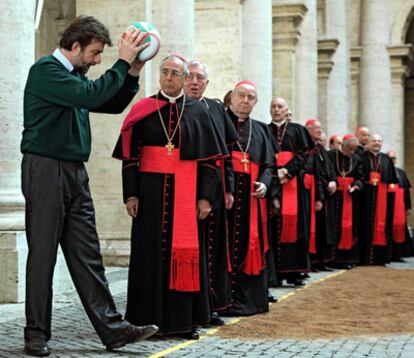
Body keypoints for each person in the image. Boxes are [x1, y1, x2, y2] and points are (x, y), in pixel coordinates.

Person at [20, 16, 158, 356]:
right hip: (45, 169)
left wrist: (134, 70)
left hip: (74, 173)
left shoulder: (75, 79)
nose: (98, 60)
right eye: (95, 53)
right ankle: (36, 334)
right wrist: (122, 61)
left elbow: (108, 103)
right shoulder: (46, 71)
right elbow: (93, 95)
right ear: (76, 45)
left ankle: (113, 330)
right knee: (43, 255)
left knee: (87, 254)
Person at [113, 54, 224, 340]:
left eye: (176, 72)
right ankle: (145, 320)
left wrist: (206, 199)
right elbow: (130, 157)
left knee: (186, 255)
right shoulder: (143, 108)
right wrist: (131, 195)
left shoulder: (199, 111)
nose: (169, 76)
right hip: (149, 195)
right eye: (165, 71)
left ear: (186, 78)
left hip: (187, 199)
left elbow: (210, 162)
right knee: (148, 255)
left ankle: (182, 322)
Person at [184, 59, 238, 325]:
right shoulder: (174, 107)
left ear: (207, 83)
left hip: (213, 186)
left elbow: (226, 154)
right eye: (190, 76)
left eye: (200, 78)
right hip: (182, 185)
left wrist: (228, 188)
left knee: (213, 249)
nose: (195, 82)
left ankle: (211, 305)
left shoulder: (216, 107)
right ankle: (188, 307)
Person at [221, 80, 275, 316]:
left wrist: (264, 183)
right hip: (225, 195)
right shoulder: (218, 122)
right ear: (231, 97)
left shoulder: (262, 129)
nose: (245, 100)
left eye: (251, 97)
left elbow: (269, 166)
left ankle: (248, 303)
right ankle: (221, 301)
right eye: (241, 95)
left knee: (249, 245)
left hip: (251, 198)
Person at [268, 97, 314, 286]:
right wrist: (274, 173)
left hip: (293, 182)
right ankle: (275, 273)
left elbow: (305, 155)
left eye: (280, 107)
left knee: (296, 229)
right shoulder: (265, 130)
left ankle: (295, 272)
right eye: (273, 106)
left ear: (287, 110)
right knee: (273, 226)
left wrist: (287, 170)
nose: (276, 109)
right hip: (272, 182)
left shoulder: (297, 130)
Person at [359, 134, 397, 265]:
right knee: (364, 225)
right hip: (365, 198)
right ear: (368, 143)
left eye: (379, 141)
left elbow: (392, 181)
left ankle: (380, 259)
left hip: (383, 199)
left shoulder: (386, 159)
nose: (376, 143)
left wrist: (391, 197)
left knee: (382, 226)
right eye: (374, 141)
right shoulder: (361, 157)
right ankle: (364, 259)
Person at [305, 119, 337, 271]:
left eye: (320, 128)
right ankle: (314, 261)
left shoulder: (321, 150)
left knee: (324, 229)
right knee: (315, 228)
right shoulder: (309, 148)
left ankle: (323, 260)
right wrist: (321, 193)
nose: (319, 130)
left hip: (325, 194)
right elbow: (316, 174)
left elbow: (329, 170)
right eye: (316, 128)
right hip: (314, 193)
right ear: (308, 129)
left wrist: (333, 182)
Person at [327, 134, 364, 268]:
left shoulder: (357, 159)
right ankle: (330, 259)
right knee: (332, 226)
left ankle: (346, 259)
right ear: (343, 146)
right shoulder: (331, 155)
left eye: (354, 150)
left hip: (349, 196)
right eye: (350, 149)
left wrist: (356, 186)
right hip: (333, 196)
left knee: (348, 227)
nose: (352, 153)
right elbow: (326, 171)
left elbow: (360, 177)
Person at [387, 150, 412, 260]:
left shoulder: (401, 172)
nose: (392, 161)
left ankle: (398, 254)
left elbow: (406, 191)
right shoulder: (384, 171)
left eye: (394, 158)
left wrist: (408, 207)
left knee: (400, 229)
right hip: (387, 206)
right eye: (390, 158)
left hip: (399, 208)